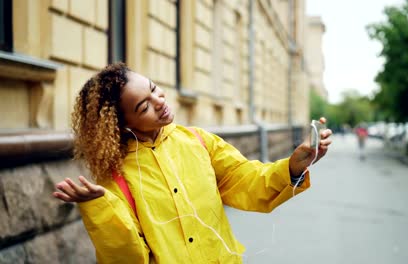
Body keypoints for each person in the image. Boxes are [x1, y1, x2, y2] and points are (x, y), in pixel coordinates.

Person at [52, 63, 333, 263]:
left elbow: (247, 181)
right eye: (143, 106)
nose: (159, 101)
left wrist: (293, 167)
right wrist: (101, 207)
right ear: (122, 124)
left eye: (154, 89)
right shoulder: (115, 176)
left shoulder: (198, 141)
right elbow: (126, 258)